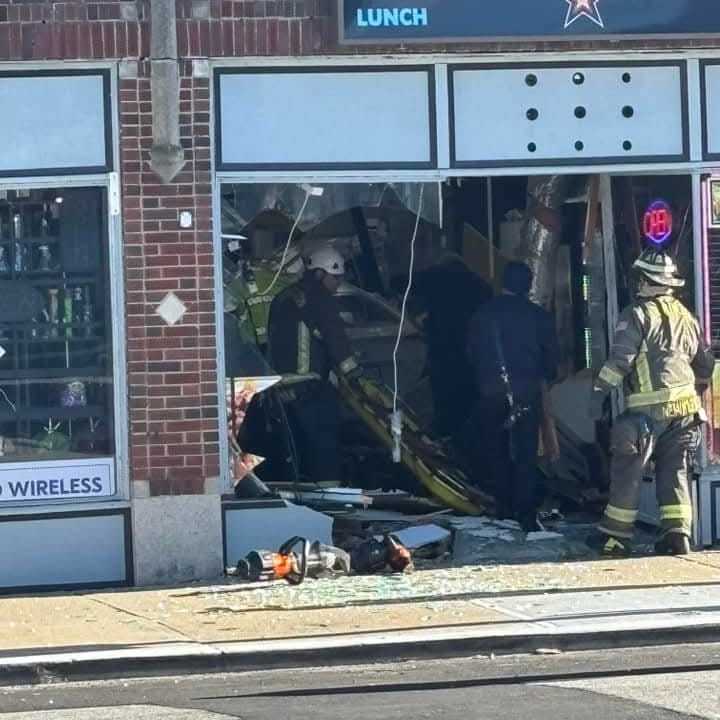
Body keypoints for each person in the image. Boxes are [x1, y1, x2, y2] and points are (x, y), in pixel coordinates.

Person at [589, 249, 714, 556]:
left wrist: (597, 393)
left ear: (644, 281)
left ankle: (615, 537)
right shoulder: (687, 317)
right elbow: (706, 366)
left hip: (645, 415)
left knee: (628, 469)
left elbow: (620, 361)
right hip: (686, 413)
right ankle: (677, 534)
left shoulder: (636, 315)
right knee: (676, 472)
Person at [466, 261, 559, 531]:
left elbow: (471, 355)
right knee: (526, 454)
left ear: (500, 282)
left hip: (490, 393)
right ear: (529, 286)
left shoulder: (482, 316)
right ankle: (526, 513)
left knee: (495, 450)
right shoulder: (540, 317)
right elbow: (551, 362)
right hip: (527, 394)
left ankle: (502, 507)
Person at [267, 245, 361, 486]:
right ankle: (331, 498)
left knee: (295, 447)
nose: (338, 283)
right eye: (335, 277)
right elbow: (335, 337)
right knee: (324, 443)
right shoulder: (320, 298)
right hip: (309, 385)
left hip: (280, 387)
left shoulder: (283, 297)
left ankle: (300, 494)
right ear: (320, 274)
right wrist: (354, 375)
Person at [407, 253, 493, 440]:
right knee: (468, 397)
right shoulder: (480, 285)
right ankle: (464, 439)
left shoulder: (436, 277)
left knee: (444, 395)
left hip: (443, 348)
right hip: (471, 353)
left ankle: (444, 435)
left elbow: (404, 284)